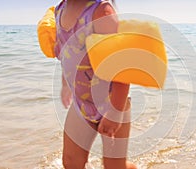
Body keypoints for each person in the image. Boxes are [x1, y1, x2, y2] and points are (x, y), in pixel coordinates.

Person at [54, 0, 137, 168]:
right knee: (70, 162)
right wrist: (65, 85)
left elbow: (122, 66)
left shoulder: (101, 12)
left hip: (112, 101)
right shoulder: (60, 10)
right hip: (81, 103)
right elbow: (67, 55)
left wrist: (115, 112)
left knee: (114, 166)